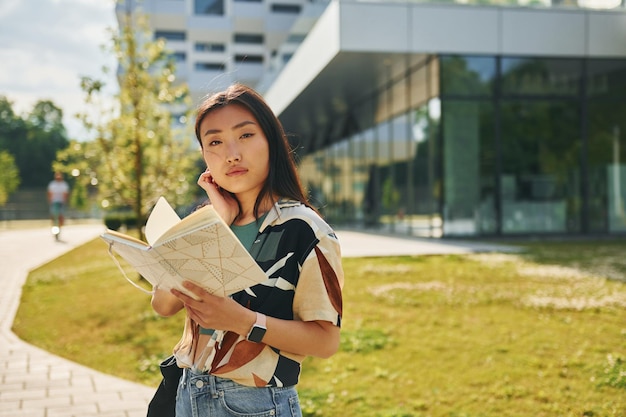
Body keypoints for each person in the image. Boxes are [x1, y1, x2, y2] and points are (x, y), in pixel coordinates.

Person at [151, 83, 344, 417]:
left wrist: (242, 320)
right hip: (188, 394)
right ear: (205, 157)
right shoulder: (204, 222)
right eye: (215, 141)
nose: (232, 154)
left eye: (245, 136)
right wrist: (219, 221)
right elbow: (163, 304)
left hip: (254, 405)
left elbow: (326, 341)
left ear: (271, 142)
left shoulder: (304, 230)